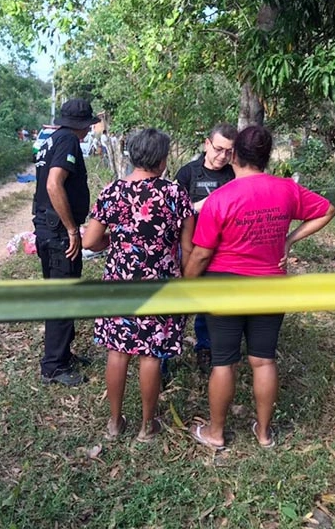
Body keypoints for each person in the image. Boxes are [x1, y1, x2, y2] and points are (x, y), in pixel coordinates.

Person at [184, 125, 335, 449]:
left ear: (235, 155)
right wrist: (288, 240)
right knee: (264, 360)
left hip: (224, 287)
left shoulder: (219, 199)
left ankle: (216, 433)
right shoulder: (286, 189)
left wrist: (185, 286)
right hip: (270, 286)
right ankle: (265, 434)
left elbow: (201, 253)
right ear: (267, 156)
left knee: (224, 361)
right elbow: (327, 210)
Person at [82, 128, 194, 442]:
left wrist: (116, 239)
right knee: (151, 355)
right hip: (160, 283)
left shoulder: (113, 191)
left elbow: (90, 240)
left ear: (132, 155)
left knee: (117, 352)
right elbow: (188, 246)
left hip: (119, 281)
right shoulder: (174, 194)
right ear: (161, 159)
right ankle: (147, 426)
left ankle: (115, 423)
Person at [33, 98, 101, 386]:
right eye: (87, 125)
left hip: (47, 227)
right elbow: (53, 184)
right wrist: (72, 229)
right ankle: (54, 366)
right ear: (82, 125)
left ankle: (62, 353)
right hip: (59, 233)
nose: (88, 130)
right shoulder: (68, 142)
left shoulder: (52, 139)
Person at [174, 123, 238, 374]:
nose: (222, 156)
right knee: (180, 298)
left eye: (228, 152)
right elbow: (173, 212)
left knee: (209, 302)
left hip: (222, 249)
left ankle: (205, 347)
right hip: (189, 246)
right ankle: (168, 349)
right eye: (218, 149)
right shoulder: (187, 173)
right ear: (206, 144)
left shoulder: (233, 175)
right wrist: (200, 206)